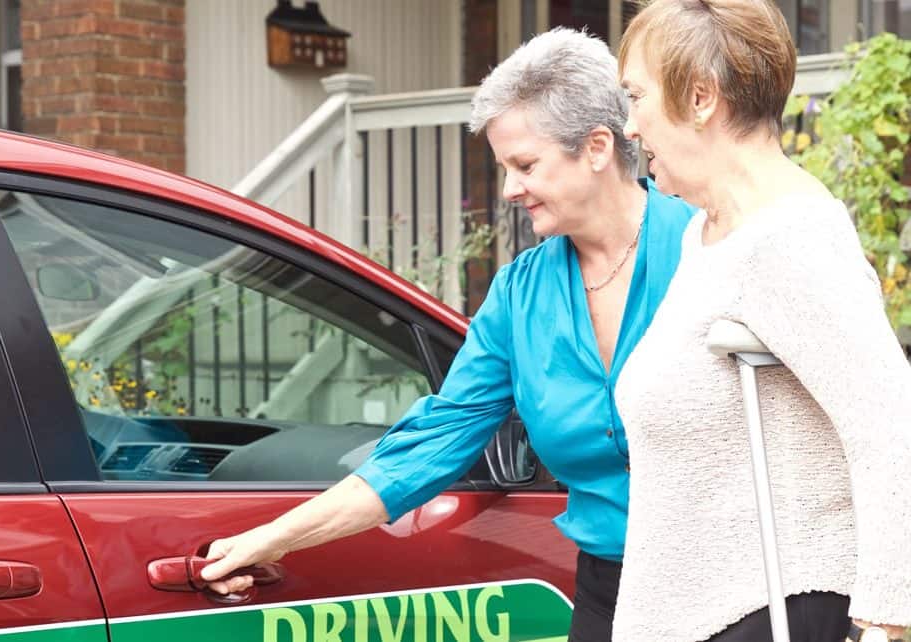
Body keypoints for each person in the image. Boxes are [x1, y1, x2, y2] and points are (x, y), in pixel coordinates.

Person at [202, 28, 695, 641]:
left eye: (525, 165)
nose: (510, 189)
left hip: (742, 585)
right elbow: (425, 449)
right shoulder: (521, 295)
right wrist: (268, 539)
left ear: (596, 147)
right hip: (610, 593)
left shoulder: (708, 250)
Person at [612, 1, 911, 641]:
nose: (630, 126)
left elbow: (890, 423)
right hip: (705, 616)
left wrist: (888, 618)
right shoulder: (707, 233)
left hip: (771, 611)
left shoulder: (790, 237)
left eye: (636, 96)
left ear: (700, 97)